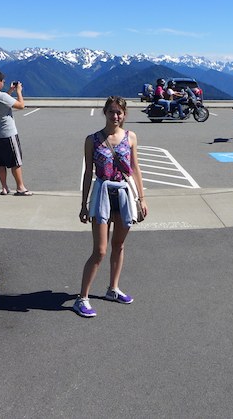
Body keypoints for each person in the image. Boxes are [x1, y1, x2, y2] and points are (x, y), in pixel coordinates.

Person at [75, 96, 148, 318]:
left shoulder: (130, 137)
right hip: (102, 195)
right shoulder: (93, 139)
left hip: (125, 193)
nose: (115, 116)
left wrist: (142, 198)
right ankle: (82, 298)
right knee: (100, 250)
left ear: (124, 114)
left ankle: (112, 289)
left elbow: (135, 168)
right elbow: (88, 173)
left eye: (119, 112)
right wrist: (84, 204)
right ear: (104, 113)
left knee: (119, 245)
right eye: (111, 112)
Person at [0, 69, 31, 196]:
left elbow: (2, 102)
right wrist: (19, 91)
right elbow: (21, 105)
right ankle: (20, 187)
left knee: (1, 162)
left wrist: (10, 91)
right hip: (8, 133)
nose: (3, 83)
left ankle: (4, 187)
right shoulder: (2, 96)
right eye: (2, 81)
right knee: (15, 162)